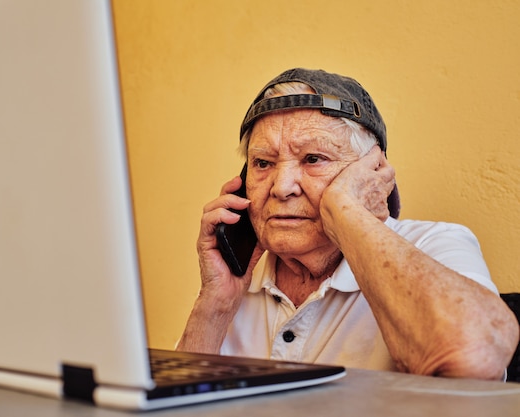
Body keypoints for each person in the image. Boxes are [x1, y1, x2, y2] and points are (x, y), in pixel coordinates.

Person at [177, 68, 519, 380]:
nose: (281, 187)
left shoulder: (436, 242)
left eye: (313, 159)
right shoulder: (237, 283)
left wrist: (344, 210)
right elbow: (172, 404)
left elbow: (472, 356)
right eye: (263, 163)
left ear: (371, 174)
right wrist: (216, 303)